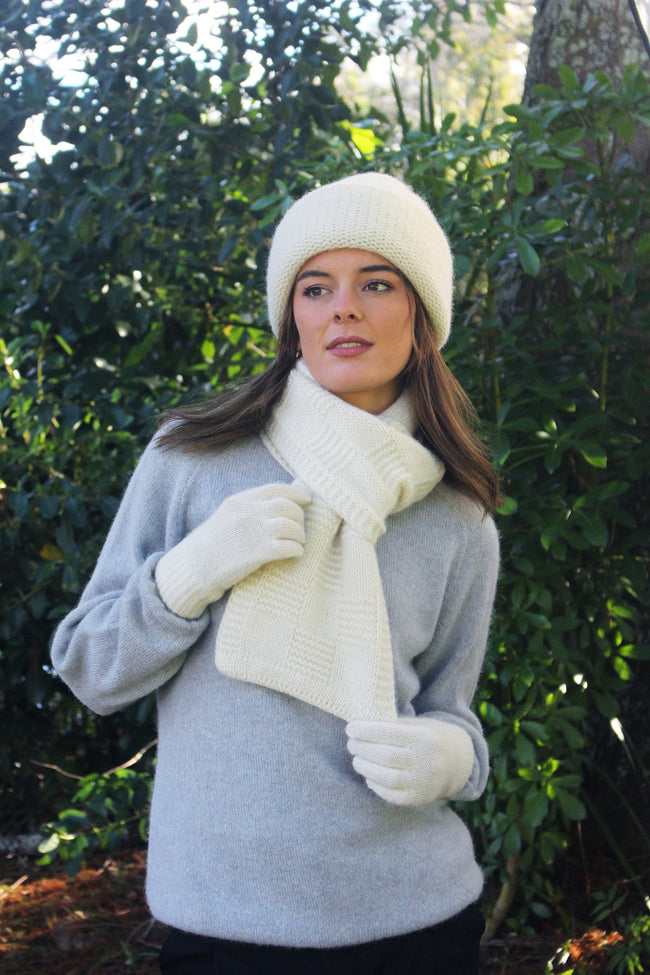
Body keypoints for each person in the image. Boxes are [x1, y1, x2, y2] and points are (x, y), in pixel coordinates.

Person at [51, 172, 501, 975]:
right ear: (292, 317)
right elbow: (88, 668)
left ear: (422, 316)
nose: (343, 309)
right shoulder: (192, 459)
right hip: (226, 926)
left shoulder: (458, 517)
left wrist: (453, 757)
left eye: (377, 283)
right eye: (315, 287)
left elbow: (452, 714)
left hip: (416, 920)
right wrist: (186, 576)